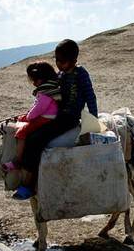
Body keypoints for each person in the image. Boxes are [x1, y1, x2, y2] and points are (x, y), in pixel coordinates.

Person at [13, 39, 98, 200]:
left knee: (36, 140)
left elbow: (90, 96)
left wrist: (94, 119)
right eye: (57, 60)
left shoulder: (81, 74)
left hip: (69, 118)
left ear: (74, 60)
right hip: (56, 116)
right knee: (30, 134)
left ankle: (29, 185)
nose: (59, 64)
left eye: (62, 61)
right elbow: (47, 95)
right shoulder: (60, 75)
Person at [2, 61, 61, 172]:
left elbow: (38, 109)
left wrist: (28, 117)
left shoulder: (45, 92)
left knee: (21, 132)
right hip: (47, 115)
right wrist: (25, 116)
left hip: (46, 117)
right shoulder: (50, 88)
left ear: (43, 78)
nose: (34, 83)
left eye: (35, 80)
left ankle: (17, 161)